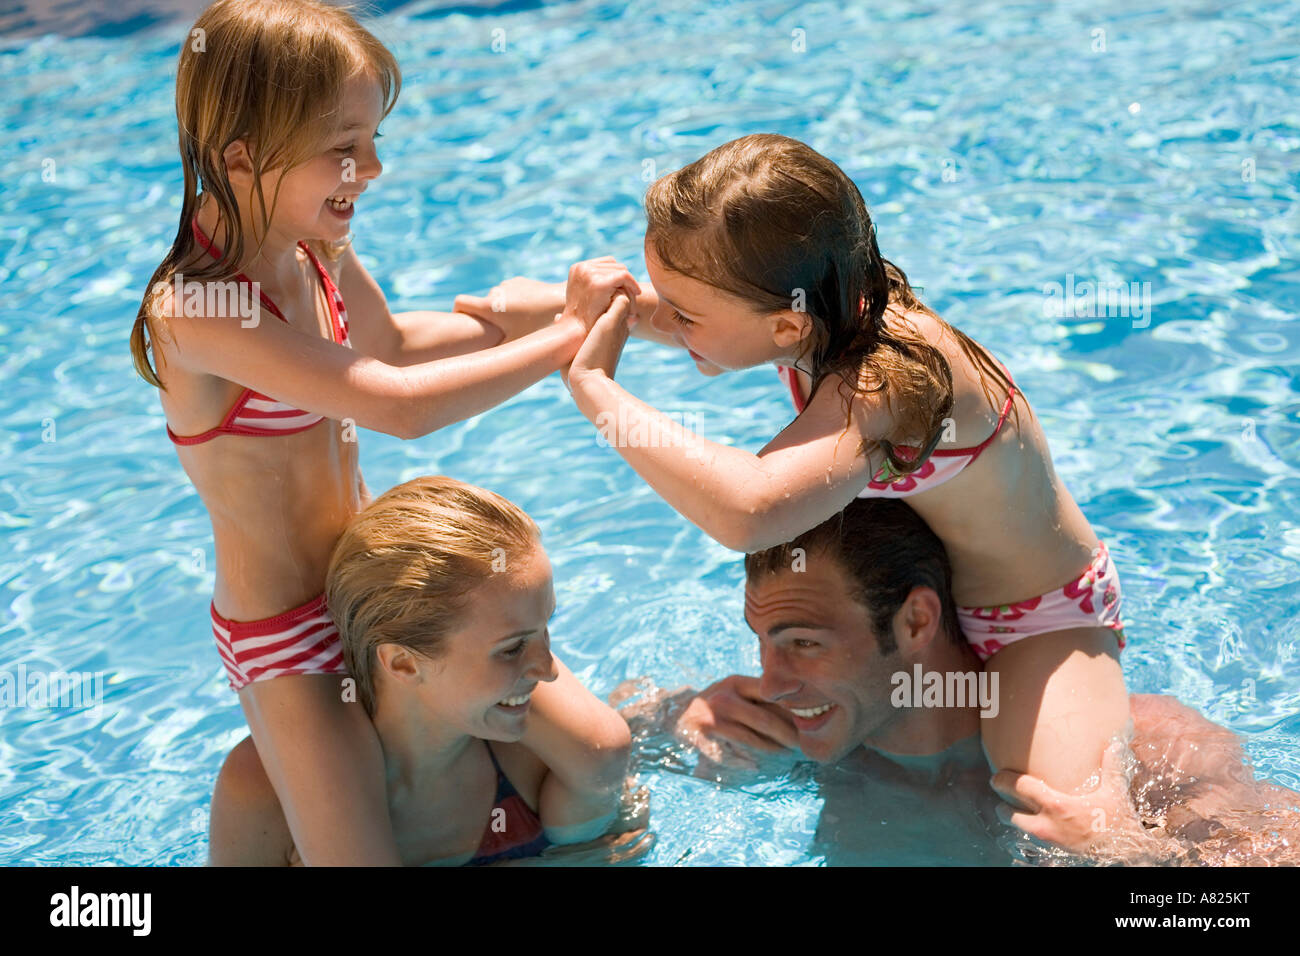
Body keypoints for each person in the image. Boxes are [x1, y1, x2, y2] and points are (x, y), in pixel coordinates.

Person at [458, 133, 1130, 817]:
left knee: (1064, 821)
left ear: (783, 325)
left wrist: (595, 386)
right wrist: (563, 309)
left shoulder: (890, 377)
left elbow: (749, 511)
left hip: (1036, 621)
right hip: (922, 605)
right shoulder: (823, 311)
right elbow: (687, 321)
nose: (664, 321)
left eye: (684, 313)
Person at [131, 0, 639, 864]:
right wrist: (565, 344)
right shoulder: (196, 311)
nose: (372, 167)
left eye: (372, 138)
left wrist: (552, 315)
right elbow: (397, 403)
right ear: (243, 156)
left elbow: (395, 344)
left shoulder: (306, 247)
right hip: (288, 633)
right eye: (344, 146)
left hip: (377, 586)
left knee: (600, 749)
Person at [625, 496, 1299, 864]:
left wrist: (1135, 858)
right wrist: (667, 726)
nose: (771, 683)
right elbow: (561, 752)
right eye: (764, 645)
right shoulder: (801, 738)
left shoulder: (1138, 752)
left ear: (916, 620)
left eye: (803, 645)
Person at [209, 476, 635, 866]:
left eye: (546, 630)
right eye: (511, 649)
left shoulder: (545, 756)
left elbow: (605, 846)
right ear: (403, 663)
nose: (549, 670)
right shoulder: (265, 791)